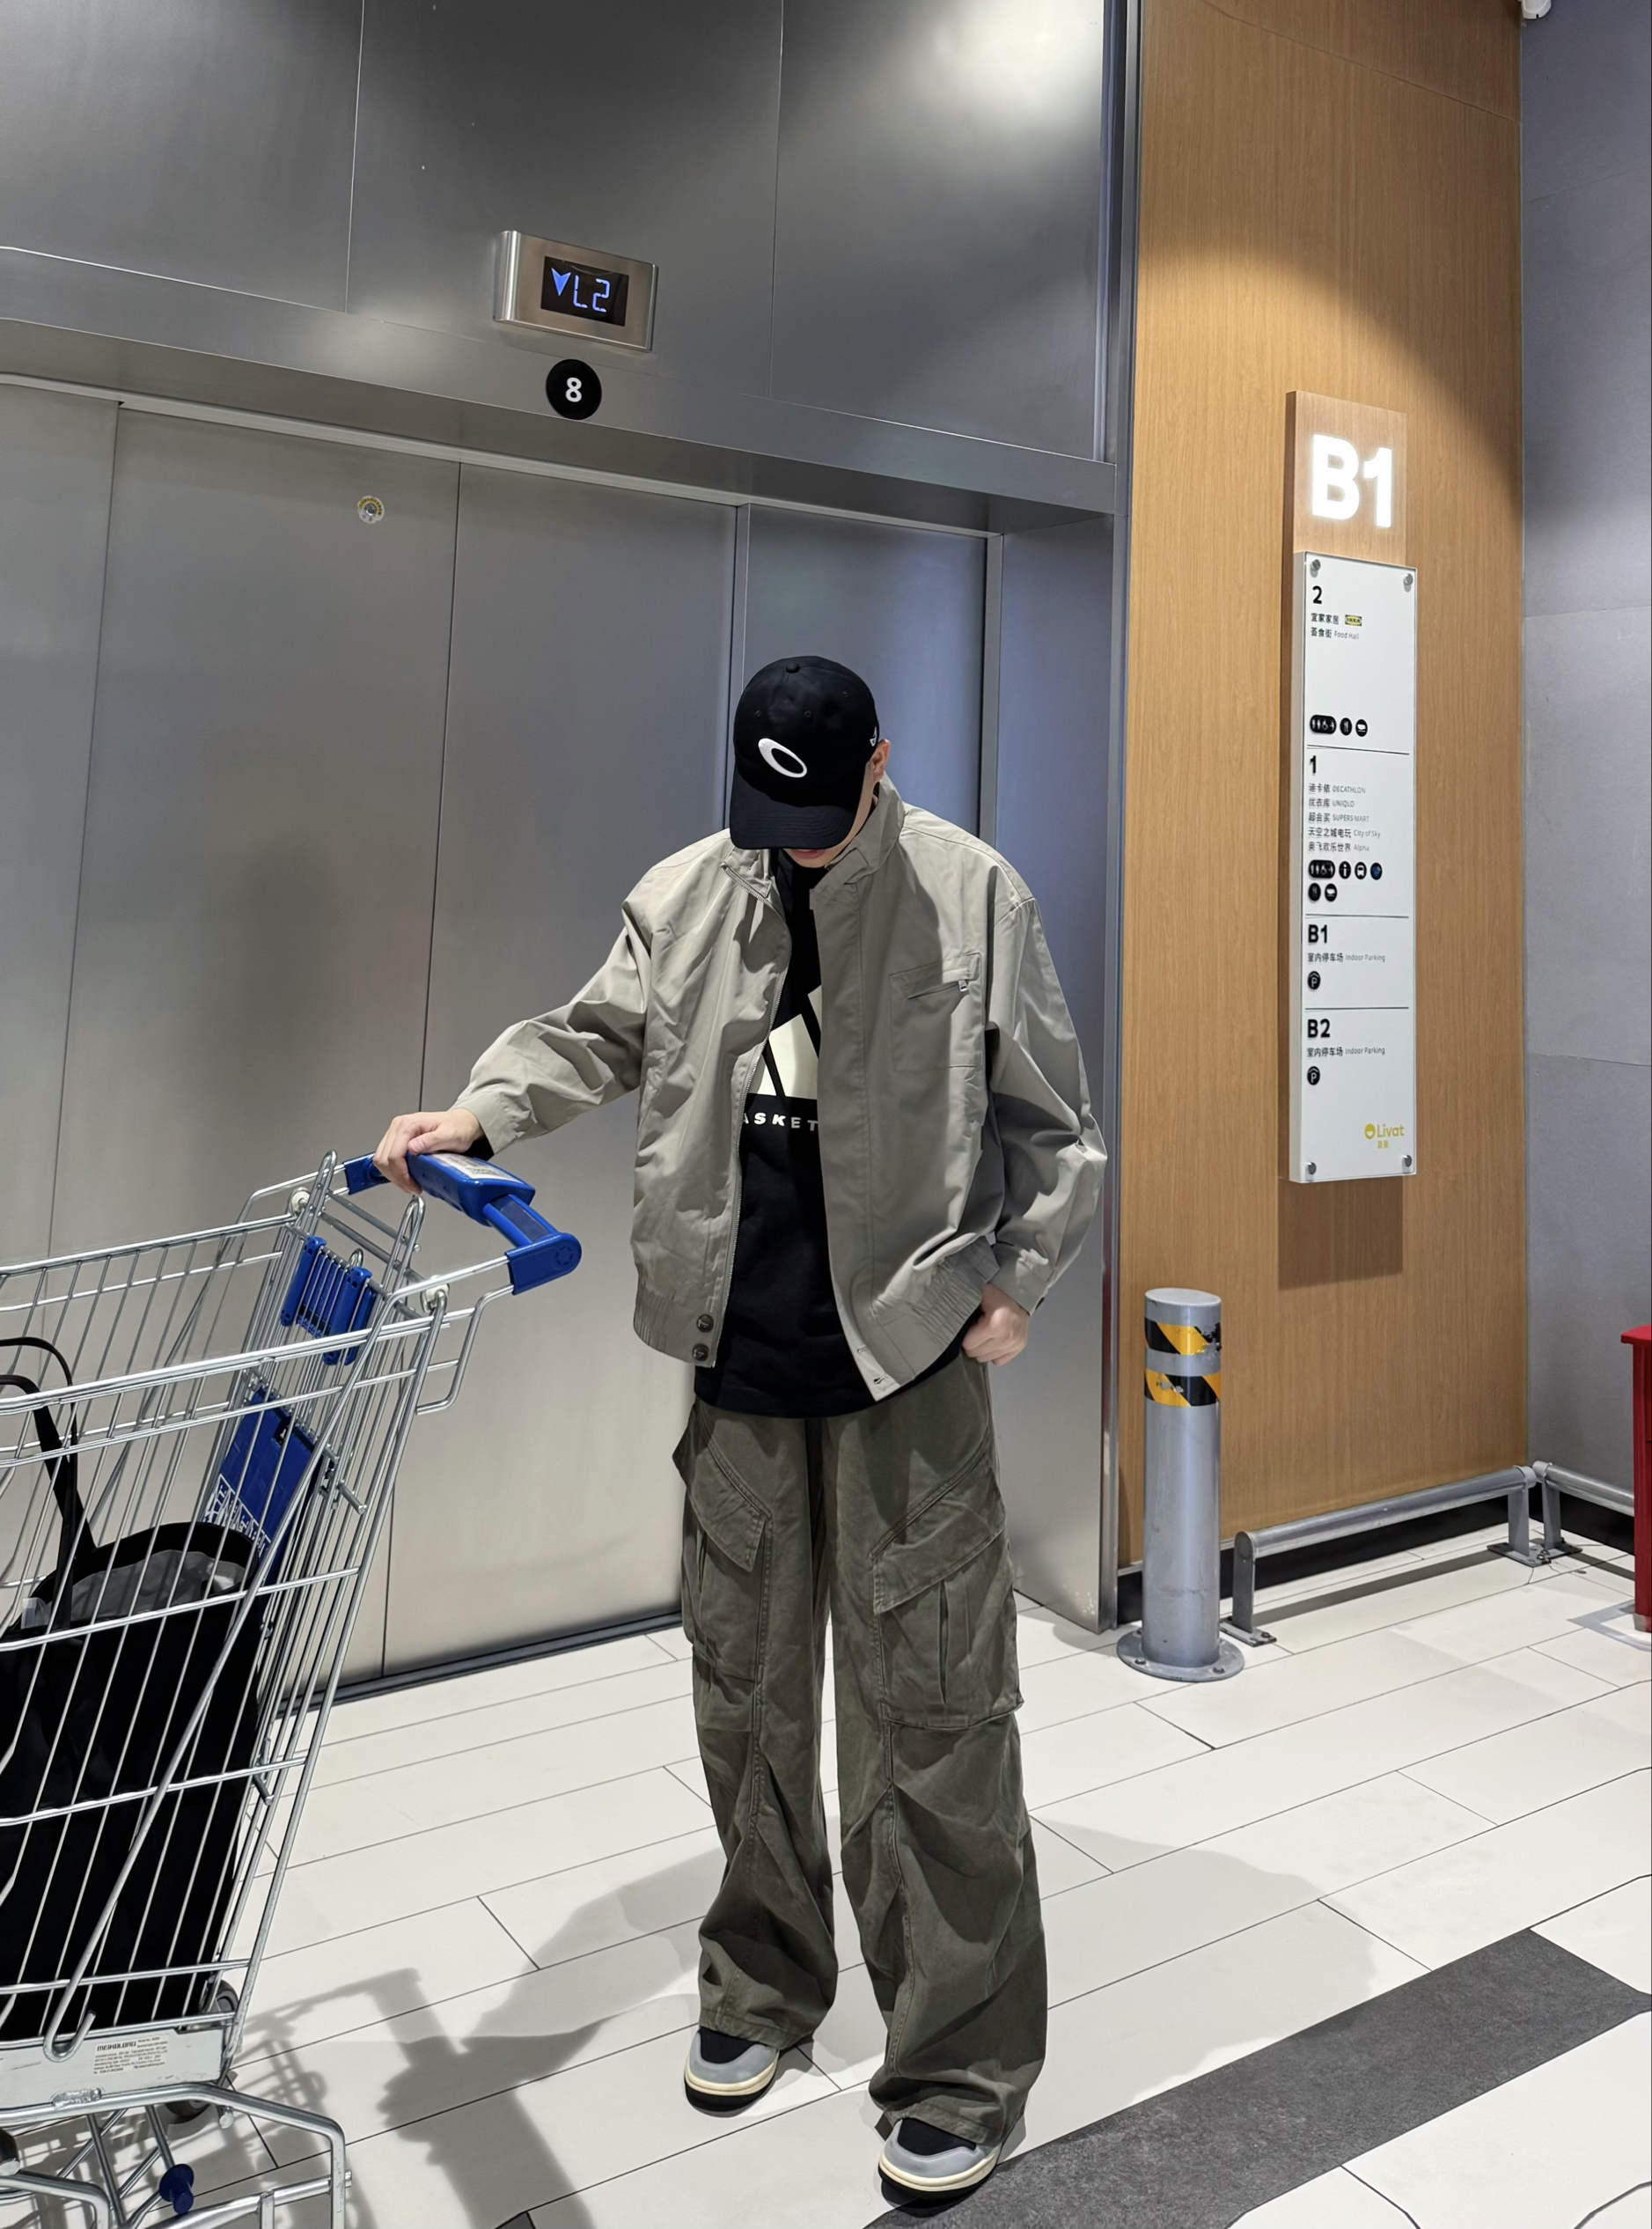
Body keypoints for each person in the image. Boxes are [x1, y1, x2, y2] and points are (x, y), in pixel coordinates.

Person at [375, 655, 1105, 2200]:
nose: (797, 840)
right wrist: (482, 1109)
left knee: (935, 1726)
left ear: (879, 762)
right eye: (773, 813)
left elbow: (1053, 1122)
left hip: (906, 1368)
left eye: (823, 809)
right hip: (736, 1369)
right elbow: (593, 1034)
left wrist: (1018, 1279)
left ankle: (959, 2063)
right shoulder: (689, 891)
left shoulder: (972, 895)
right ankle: (764, 1980)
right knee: (748, 1706)